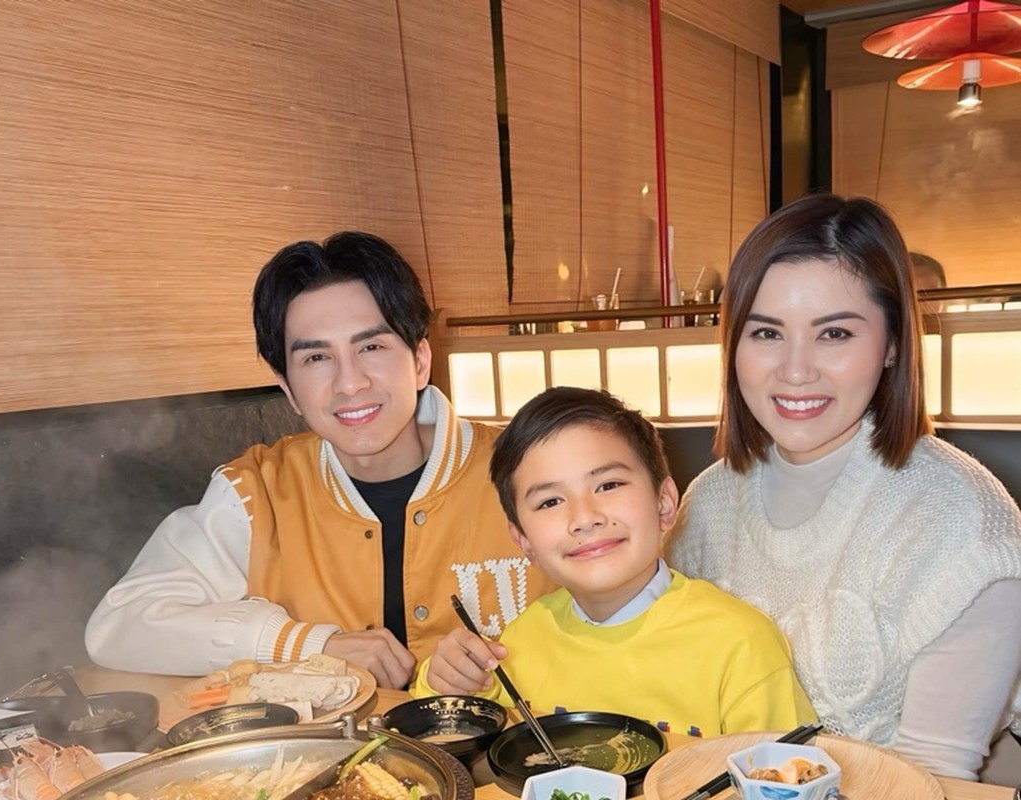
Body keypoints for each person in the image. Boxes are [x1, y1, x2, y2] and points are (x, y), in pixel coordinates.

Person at [85, 232, 553, 688]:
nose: (350, 383)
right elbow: (119, 625)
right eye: (316, 358)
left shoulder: (530, 465)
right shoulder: (257, 492)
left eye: (371, 347)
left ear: (420, 361)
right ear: (288, 389)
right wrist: (308, 645)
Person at [669, 194, 1021, 779]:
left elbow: (931, 774)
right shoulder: (706, 504)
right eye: (766, 333)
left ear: (892, 344)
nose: (795, 370)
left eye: (833, 334)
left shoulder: (963, 520)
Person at [413, 387, 816, 736]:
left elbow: (792, 776)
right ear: (523, 541)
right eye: (550, 501)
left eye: (608, 485)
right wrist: (445, 679)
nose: (584, 517)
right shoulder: (521, 640)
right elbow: (450, 726)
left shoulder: (741, 644)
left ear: (664, 504)